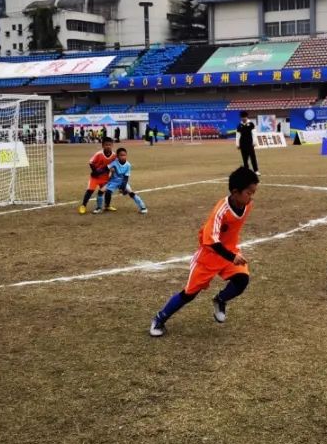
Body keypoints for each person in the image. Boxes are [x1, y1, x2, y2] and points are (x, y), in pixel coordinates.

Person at [150, 166, 259, 337]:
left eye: (253, 192)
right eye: (249, 193)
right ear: (235, 192)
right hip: (209, 255)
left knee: (242, 280)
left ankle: (220, 300)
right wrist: (232, 257)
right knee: (189, 294)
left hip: (229, 251)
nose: (252, 197)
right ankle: (159, 318)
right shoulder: (220, 211)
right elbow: (211, 241)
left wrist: (232, 254)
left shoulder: (247, 205)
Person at [104, 147, 148, 214]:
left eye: (124, 155)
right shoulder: (114, 162)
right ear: (117, 156)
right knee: (108, 192)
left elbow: (126, 177)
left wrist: (122, 187)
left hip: (122, 181)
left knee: (131, 193)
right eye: (121, 155)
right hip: (114, 181)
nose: (123, 157)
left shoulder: (128, 165)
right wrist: (111, 171)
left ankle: (143, 207)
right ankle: (107, 206)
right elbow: (106, 169)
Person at [78, 137, 115, 215]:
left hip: (105, 177)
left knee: (108, 191)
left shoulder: (114, 155)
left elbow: (115, 165)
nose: (108, 146)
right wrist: (94, 171)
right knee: (90, 190)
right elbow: (91, 162)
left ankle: (107, 206)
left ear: (112, 145)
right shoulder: (99, 154)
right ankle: (83, 206)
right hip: (95, 177)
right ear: (102, 146)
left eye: (110, 145)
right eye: (106, 145)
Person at [236, 111, 260, 176]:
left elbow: (254, 134)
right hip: (242, 144)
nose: (243, 118)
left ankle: (256, 170)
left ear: (247, 117)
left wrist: (254, 142)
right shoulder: (239, 125)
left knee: (253, 157)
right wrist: (237, 144)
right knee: (245, 158)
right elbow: (238, 136)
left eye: (244, 117)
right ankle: (246, 171)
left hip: (250, 143)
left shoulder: (251, 124)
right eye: (242, 117)